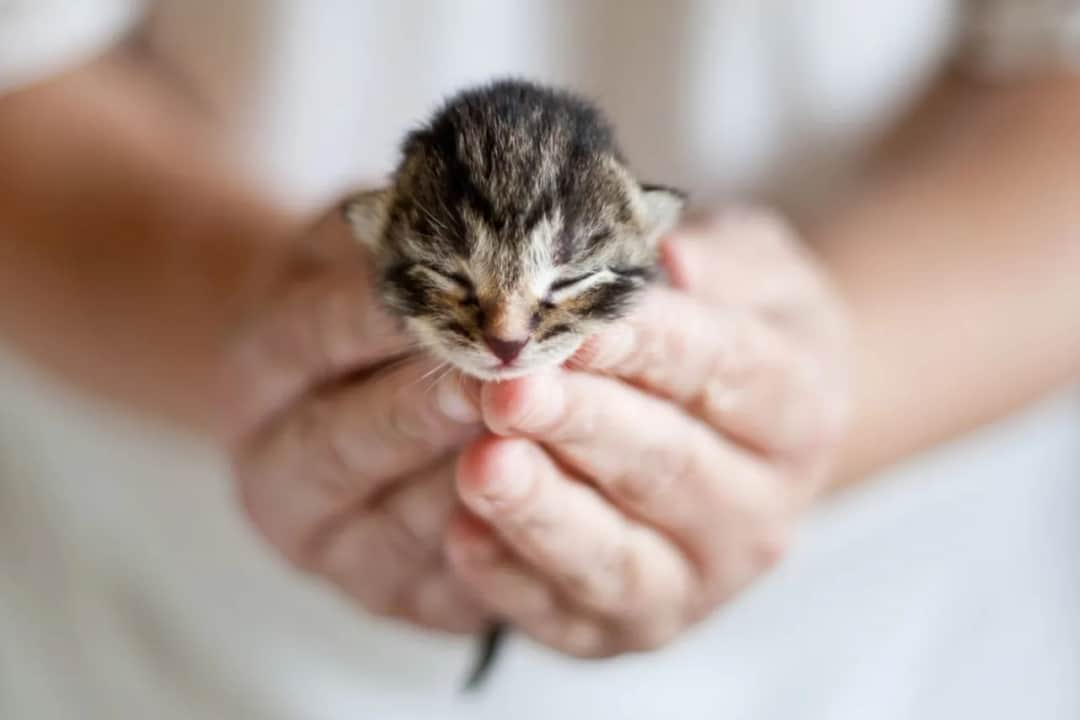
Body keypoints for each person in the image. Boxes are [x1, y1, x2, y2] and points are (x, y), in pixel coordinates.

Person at [1, 2, 1078, 718]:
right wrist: (253, 324)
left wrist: (830, 385)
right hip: (160, 620)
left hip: (899, 637)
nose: (511, 342)